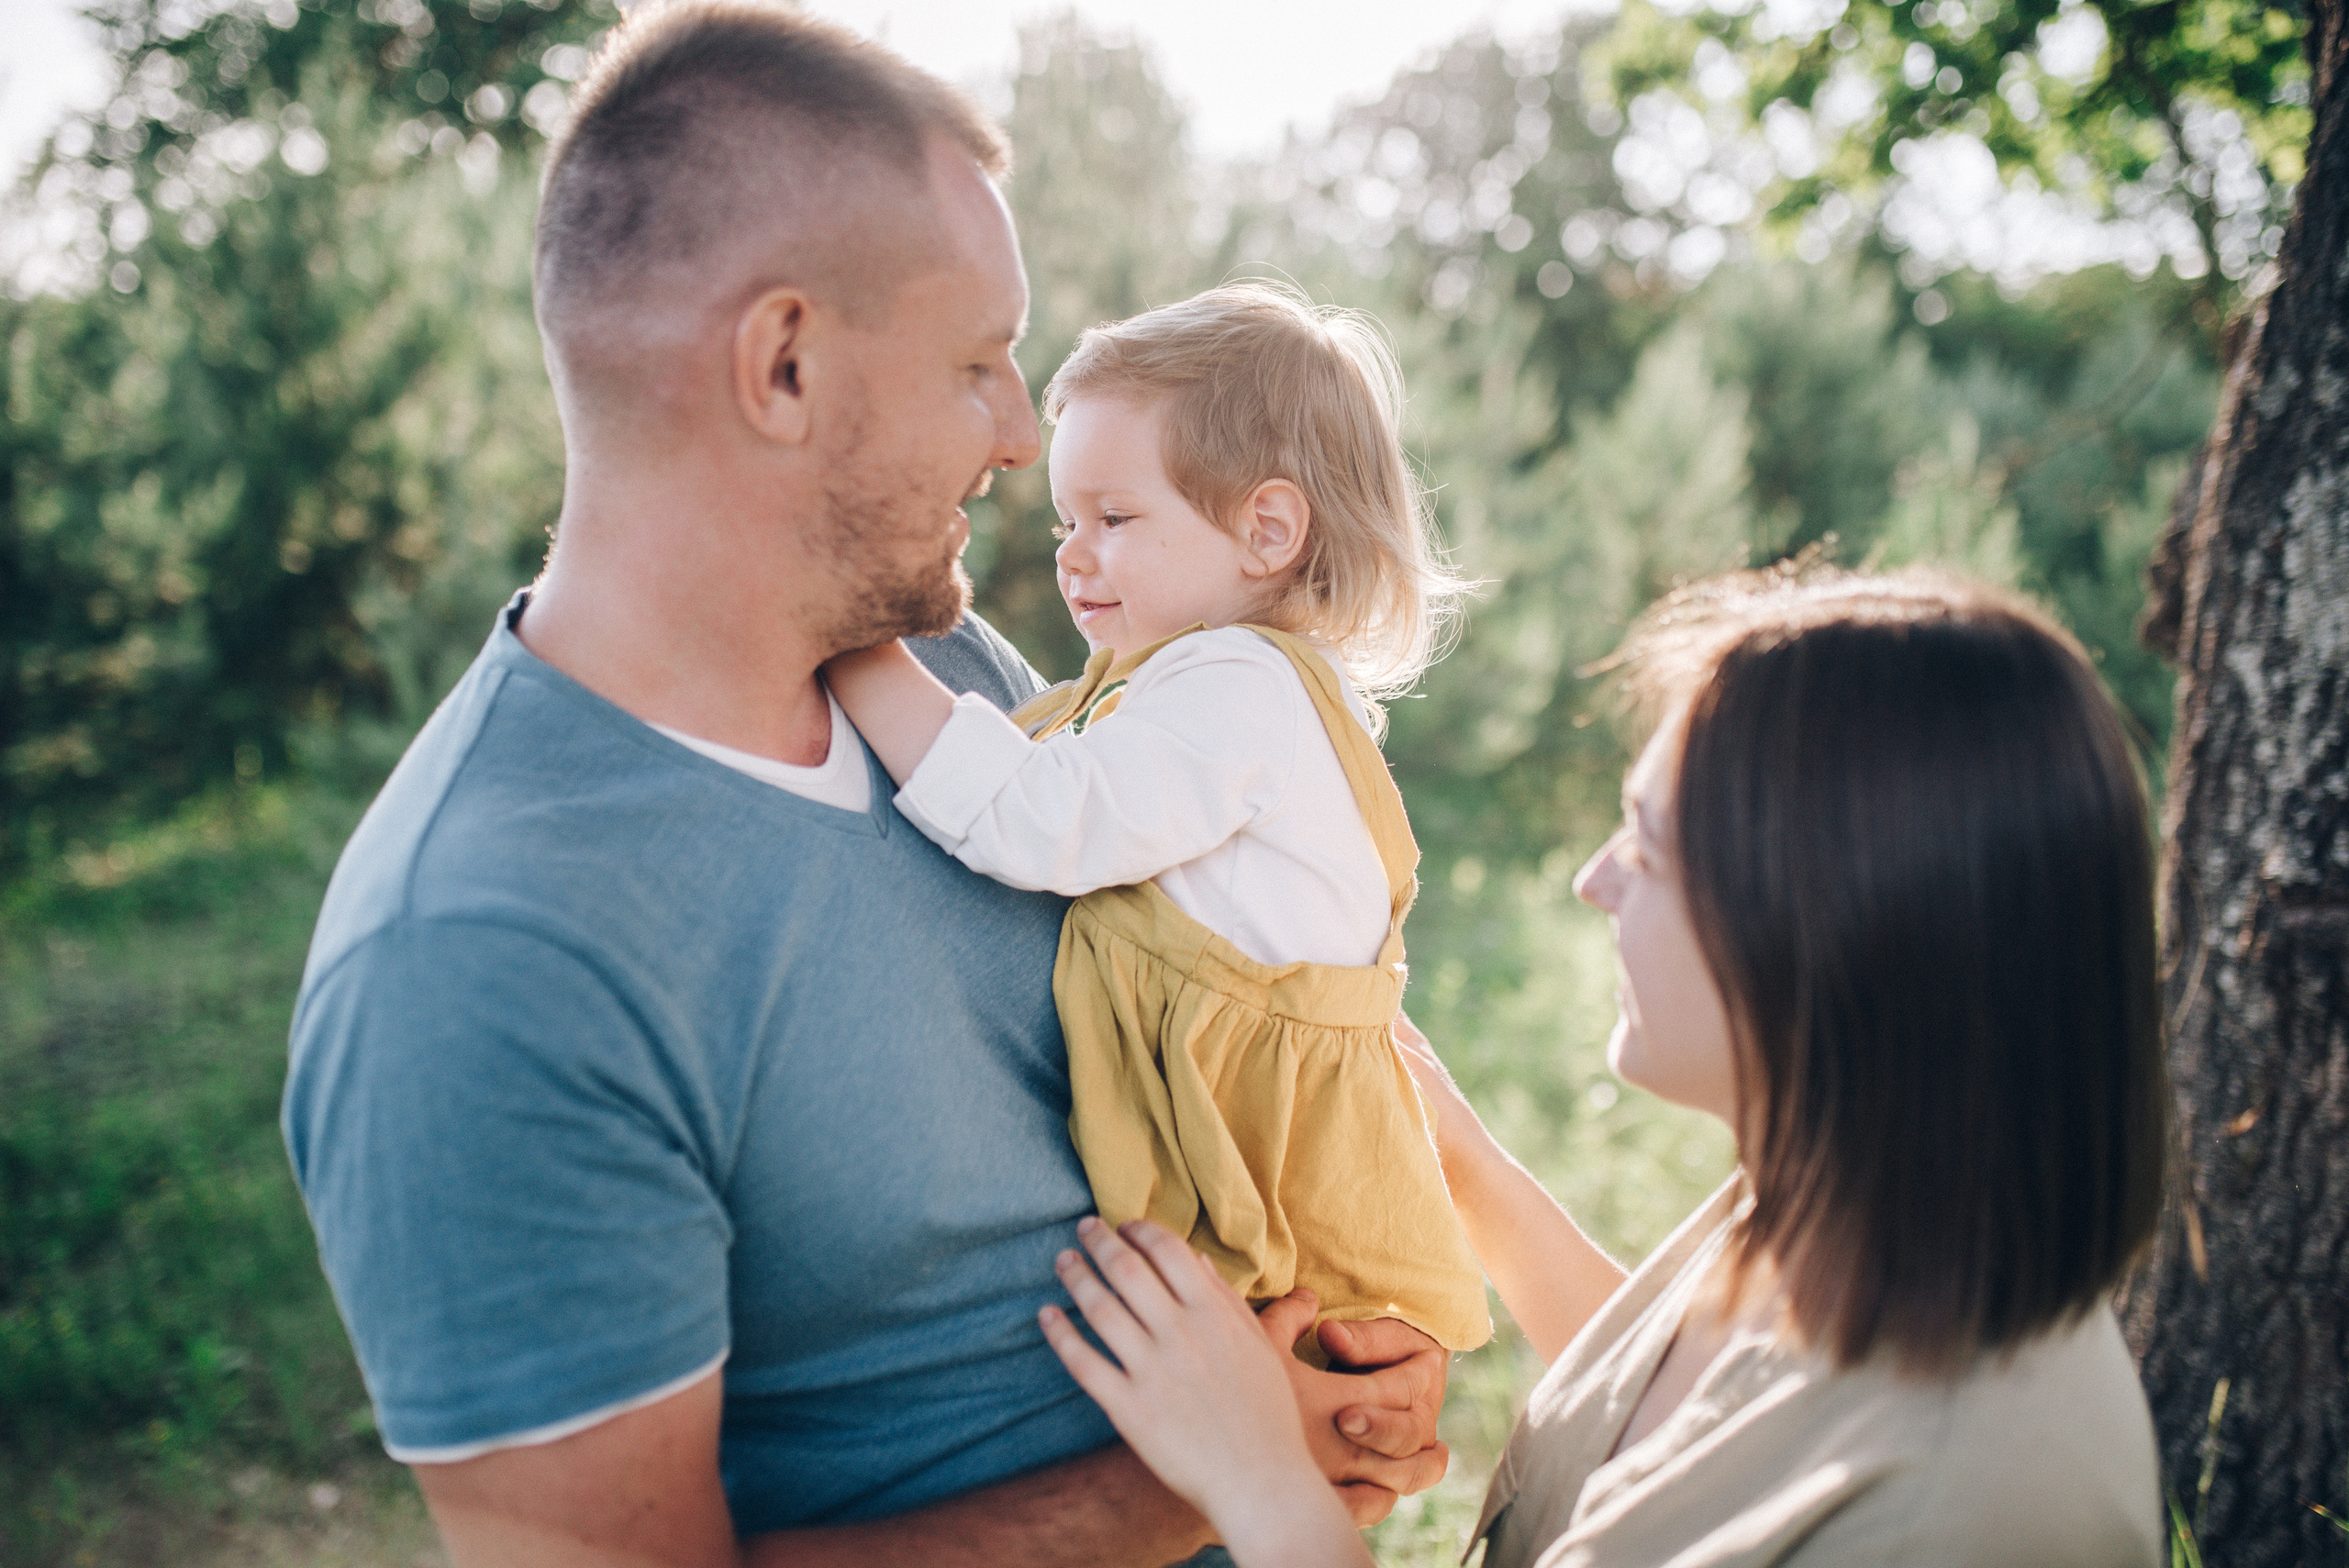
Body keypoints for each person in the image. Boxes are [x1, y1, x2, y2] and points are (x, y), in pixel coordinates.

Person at [278, 4, 1451, 1563]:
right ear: (782, 364)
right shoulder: (480, 954)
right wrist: (1183, 1483)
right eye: (980, 363)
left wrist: (1346, 1323)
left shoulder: (941, 670)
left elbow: (1234, 965)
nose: (1022, 439)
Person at [1037, 568, 2172, 1568]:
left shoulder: (1951, 1513)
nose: (1594, 878)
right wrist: (1467, 1173)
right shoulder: (1854, 1205)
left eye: (1650, 843)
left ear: (1834, 930)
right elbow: (1694, 1429)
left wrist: (1257, 1482)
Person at [825, 283, 1489, 1360]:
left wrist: (852, 641)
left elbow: (1033, 817)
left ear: (1265, 529)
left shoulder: (1235, 687)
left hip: (1267, 1194)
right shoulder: (1212, 681)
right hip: (1252, 1172)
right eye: (1064, 521)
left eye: (1114, 518)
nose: (1071, 553)